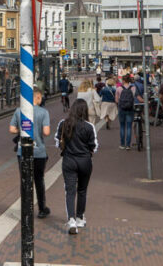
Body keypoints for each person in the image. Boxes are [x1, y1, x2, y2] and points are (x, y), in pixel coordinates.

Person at [55, 99, 98, 235]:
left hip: (69, 160)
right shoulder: (89, 126)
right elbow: (94, 146)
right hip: (85, 161)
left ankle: (71, 220)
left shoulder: (63, 124)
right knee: (82, 190)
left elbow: (57, 142)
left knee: (70, 191)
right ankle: (80, 217)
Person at [9, 87, 51, 219]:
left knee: (25, 180)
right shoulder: (43, 112)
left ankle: (26, 209)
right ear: (37, 97)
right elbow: (46, 132)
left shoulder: (19, 111)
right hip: (39, 152)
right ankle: (42, 208)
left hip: (23, 151)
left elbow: (11, 129)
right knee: (39, 180)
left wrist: (21, 131)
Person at [115, 74, 143, 150]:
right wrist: (145, 101)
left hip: (121, 109)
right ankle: (128, 145)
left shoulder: (119, 88)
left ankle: (122, 144)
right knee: (129, 127)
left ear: (123, 80)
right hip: (130, 109)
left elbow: (117, 100)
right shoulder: (133, 88)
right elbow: (139, 98)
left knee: (122, 126)